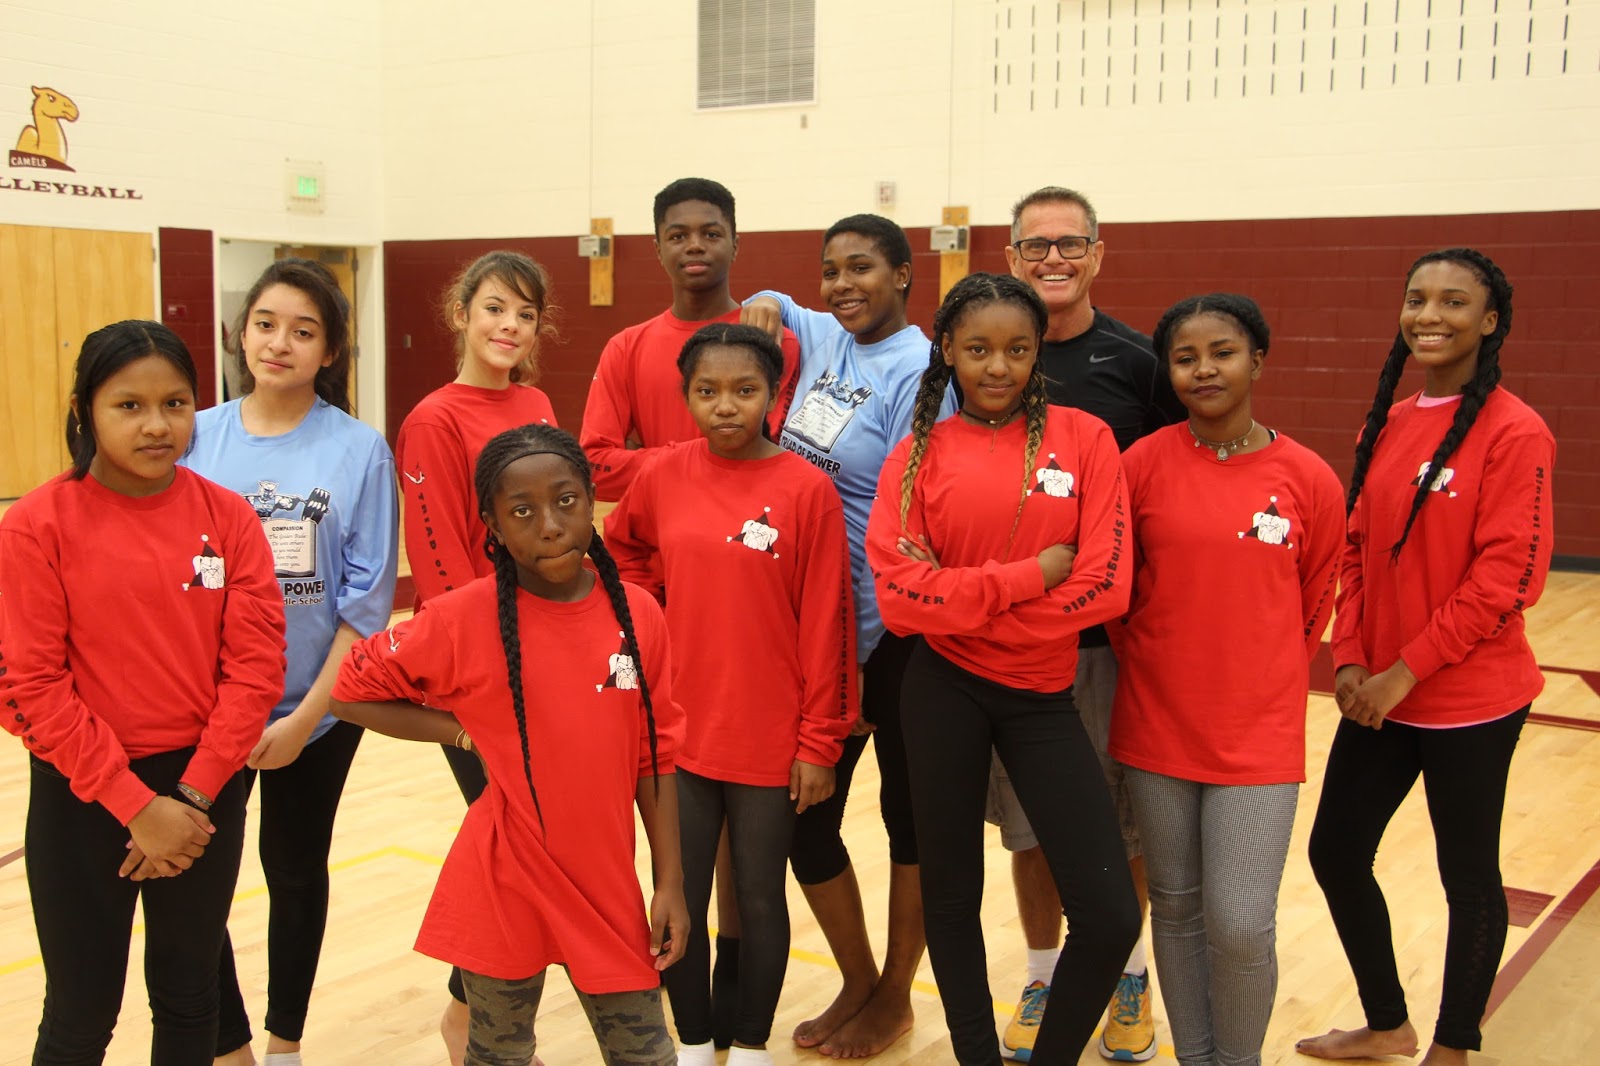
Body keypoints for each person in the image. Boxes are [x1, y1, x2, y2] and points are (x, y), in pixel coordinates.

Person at [330, 424, 688, 1066]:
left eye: (566, 501)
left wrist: (671, 883)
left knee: (647, 1054)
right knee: (499, 1055)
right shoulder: (459, 618)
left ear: (591, 500)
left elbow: (654, 759)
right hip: (503, 884)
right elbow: (348, 691)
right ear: (492, 525)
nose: (549, 525)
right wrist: (460, 732)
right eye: (522, 511)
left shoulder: (637, 614)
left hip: (605, 889)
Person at [867, 272, 1140, 1065]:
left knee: (1110, 913)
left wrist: (963, 599)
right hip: (942, 692)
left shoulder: (1086, 441)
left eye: (1018, 349)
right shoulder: (917, 456)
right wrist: (1026, 578)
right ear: (948, 351)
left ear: (1038, 352)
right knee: (951, 897)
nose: (998, 366)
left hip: (1042, 695)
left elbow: (1107, 584)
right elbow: (901, 603)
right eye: (979, 348)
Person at [0, 320, 285, 1063]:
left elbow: (255, 671)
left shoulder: (229, 518)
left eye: (176, 403)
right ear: (85, 411)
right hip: (82, 794)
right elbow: (34, 685)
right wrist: (135, 805)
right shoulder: (35, 526)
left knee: (191, 999)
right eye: (129, 405)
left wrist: (191, 797)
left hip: (203, 790)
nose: (157, 425)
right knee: (80, 1012)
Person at [1296, 249, 1554, 1066]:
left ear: (1490, 321)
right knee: (1337, 852)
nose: (1429, 315)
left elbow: (1508, 578)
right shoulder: (1390, 421)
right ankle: (1388, 1024)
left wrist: (1404, 672)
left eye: (1453, 301)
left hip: (1469, 698)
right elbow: (1357, 547)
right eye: (1417, 299)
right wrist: (1349, 659)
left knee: (1467, 876)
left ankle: (1452, 1047)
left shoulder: (1516, 431)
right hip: (1378, 691)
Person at [606, 323, 857, 1066]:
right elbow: (623, 549)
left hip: (769, 736)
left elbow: (828, 624)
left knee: (758, 895)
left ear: (773, 394)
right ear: (686, 396)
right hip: (679, 732)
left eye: (744, 390)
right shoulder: (663, 474)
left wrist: (820, 742)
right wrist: (650, 608)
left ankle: (748, 1046)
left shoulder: (806, 490)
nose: (725, 406)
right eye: (707, 391)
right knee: (677, 892)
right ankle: (690, 1044)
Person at [1106, 294, 1344, 1066]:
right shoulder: (1140, 466)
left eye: (1223, 352)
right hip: (1157, 723)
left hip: (1258, 735)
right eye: (1185, 358)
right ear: (1169, 372)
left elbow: (1314, 601)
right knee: (1175, 910)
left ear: (1257, 361)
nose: (1204, 369)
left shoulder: (1308, 478)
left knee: (1241, 924)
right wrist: (1161, 666)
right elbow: (1119, 595)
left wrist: (1258, 674)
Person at [739, 212, 947, 1058]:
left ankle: (895, 996)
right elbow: (774, 301)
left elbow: (896, 534)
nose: (841, 285)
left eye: (861, 268)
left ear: (904, 275)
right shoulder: (827, 333)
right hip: (817, 632)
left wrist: (851, 664)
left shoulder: (921, 374)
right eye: (831, 270)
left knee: (908, 822)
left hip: (888, 639)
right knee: (804, 823)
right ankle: (859, 979)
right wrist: (763, 301)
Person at [183, 259, 400, 1066]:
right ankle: (229, 1045)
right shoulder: (195, 435)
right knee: (197, 879)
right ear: (241, 334)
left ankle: (284, 1045)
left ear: (330, 350)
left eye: (303, 331)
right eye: (266, 324)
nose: (279, 343)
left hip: (318, 706)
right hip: (204, 709)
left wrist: (308, 717)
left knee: (296, 870)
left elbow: (364, 605)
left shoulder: (359, 450)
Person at [997, 185, 1184, 1062]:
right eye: (1036, 246)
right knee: (1030, 828)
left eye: (1070, 244)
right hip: (1008, 646)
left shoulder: (1140, 365)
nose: (1053, 260)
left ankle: (1128, 976)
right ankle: (1044, 975)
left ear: (1098, 254)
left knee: (1120, 828)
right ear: (1011, 258)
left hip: (1110, 647)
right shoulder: (986, 358)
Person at [392, 249, 560, 1060]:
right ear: (461, 313)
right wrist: (497, 668)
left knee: (526, 848)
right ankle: (478, 1022)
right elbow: (440, 564)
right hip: (480, 667)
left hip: (549, 652)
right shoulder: (433, 419)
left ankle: (473, 1013)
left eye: (525, 315)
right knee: (517, 846)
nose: (509, 326)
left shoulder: (535, 402)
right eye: (495, 308)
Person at [582, 177, 799, 502]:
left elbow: (771, 457)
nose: (695, 245)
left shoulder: (773, 339)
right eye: (678, 236)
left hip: (751, 523)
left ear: (735, 245)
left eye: (711, 234)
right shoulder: (625, 348)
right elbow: (595, 466)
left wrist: (650, 462)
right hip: (660, 526)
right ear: (658, 250)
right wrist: (685, 462)